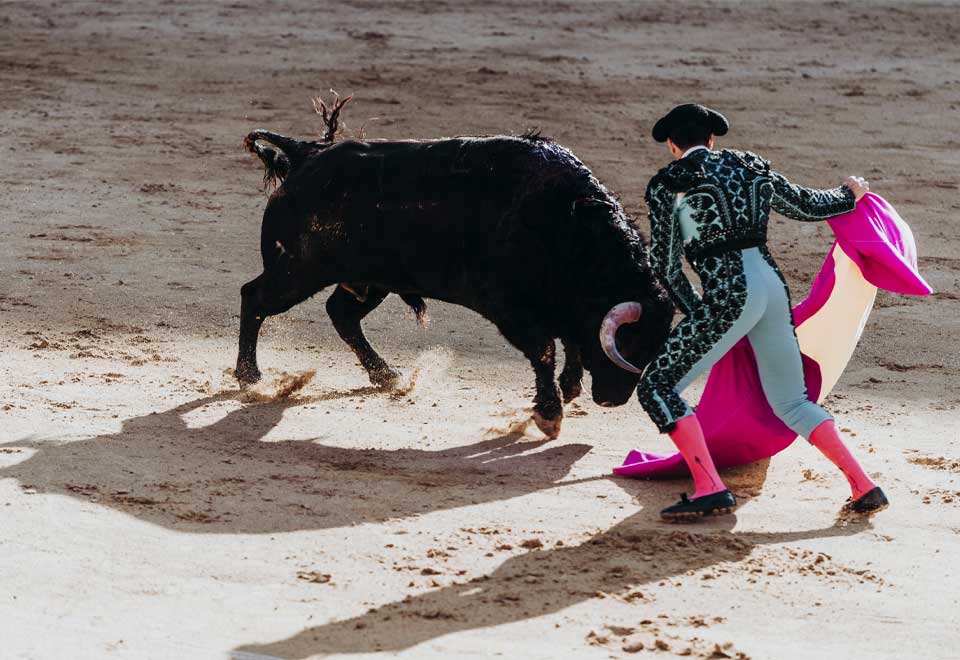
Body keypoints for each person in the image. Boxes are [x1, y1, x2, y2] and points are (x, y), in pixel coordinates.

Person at [639, 103, 888, 521]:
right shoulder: (750, 165)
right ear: (712, 138)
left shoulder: (669, 183)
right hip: (771, 286)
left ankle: (710, 487)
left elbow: (665, 266)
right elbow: (807, 205)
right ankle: (864, 485)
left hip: (729, 291)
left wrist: (701, 315)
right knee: (791, 400)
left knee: (657, 387)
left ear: (671, 144)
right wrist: (849, 194)